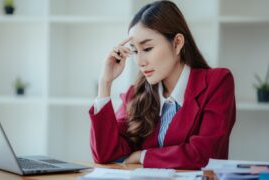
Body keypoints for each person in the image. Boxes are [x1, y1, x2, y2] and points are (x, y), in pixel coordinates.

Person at [88, 0, 236, 169]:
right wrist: (105, 83)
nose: (140, 61)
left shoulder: (217, 82)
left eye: (148, 48)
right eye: (135, 51)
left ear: (177, 43)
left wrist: (142, 156)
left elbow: (205, 154)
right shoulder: (136, 94)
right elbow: (106, 155)